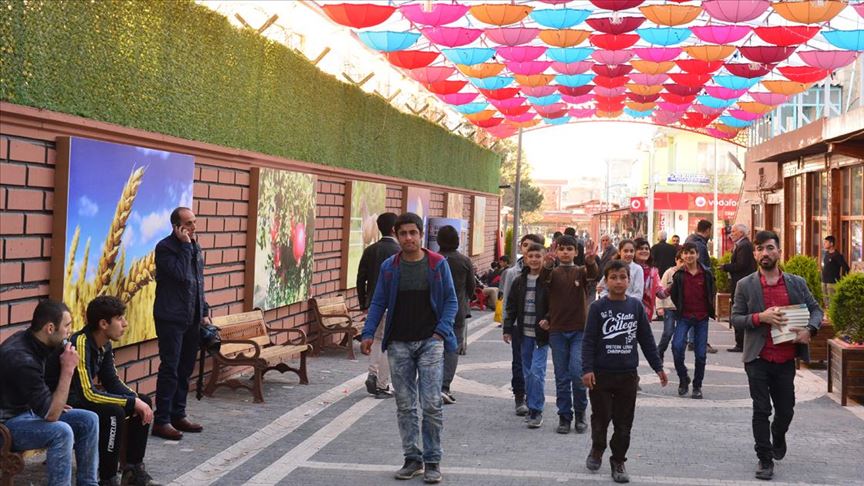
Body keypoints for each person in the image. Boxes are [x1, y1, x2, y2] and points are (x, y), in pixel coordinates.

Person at [360, 212, 458, 484]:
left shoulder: (437, 264)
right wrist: (368, 333)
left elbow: (451, 300)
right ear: (397, 234)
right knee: (405, 405)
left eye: (413, 233)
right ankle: (412, 458)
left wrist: (441, 332)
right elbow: (378, 301)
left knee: (431, 403)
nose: (408, 238)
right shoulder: (390, 267)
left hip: (430, 343)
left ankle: (433, 461)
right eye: (403, 233)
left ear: (421, 234)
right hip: (399, 343)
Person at [730, 231, 822, 481]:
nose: (765, 253)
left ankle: (778, 434)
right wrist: (761, 317)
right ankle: (764, 458)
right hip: (757, 358)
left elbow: (816, 309)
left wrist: (810, 330)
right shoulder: (745, 285)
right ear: (755, 253)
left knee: (786, 410)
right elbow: (735, 319)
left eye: (770, 248)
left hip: (785, 358)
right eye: (760, 249)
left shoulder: (796, 283)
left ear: (779, 252)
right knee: (761, 409)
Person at [52, 296, 160, 485]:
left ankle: (133, 471)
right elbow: (86, 394)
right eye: (120, 318)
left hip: (84, 398)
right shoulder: (81, 342)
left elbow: (112, 381)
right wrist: (132, 402)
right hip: (67, 402)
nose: (125, 324)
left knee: (144, 401)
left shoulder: (105, 345)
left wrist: (136, 400)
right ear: (103, 323)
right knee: (113, 412)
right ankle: (107, 478)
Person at [582, 260, 668, 483]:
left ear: (629, 281)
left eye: (623, 277)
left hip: (627, 375)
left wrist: (658, 367)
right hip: (601, 374)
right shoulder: (597, 308)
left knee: (624, 422)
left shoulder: (635, 307)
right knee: (601, 418)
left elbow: (646, 340)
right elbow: (589, 340)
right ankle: (597, 448)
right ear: (606, 280)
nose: (618, 282)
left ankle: (618, 460)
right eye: (613, 277)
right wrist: (587, 369)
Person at [0, 300, 99, 486]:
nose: (70, 331)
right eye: (67, 326)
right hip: (6, 425)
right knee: (61, 432)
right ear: (50, 328)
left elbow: (41, 397)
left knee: (88, 420)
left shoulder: (35, 342)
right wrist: (68, 369)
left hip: (27, 413)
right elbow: (52, 415)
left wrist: (53, 402)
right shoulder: (21, 358)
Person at [152, 207, 209, 440]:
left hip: (192, 318)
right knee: (170, 369)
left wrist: (203, 311)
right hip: (171, 318)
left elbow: (197, 281)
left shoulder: (194, 246)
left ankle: (179, 414)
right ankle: (162, 420)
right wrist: (185, 246)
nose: (194, 227)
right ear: (177, 226)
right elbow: (180, 276)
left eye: (195, 221)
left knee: (185, 369)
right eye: (189, 223)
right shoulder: (165, 248)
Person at [539, 235, 599, 435]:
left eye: (569, 249)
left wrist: (591, 261)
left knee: (577, 373)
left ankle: (580, 413)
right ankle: (564, 416)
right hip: (557, 331)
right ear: (555, 251)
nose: (565, 252)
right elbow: (542, 282)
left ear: (576, 252)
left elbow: (593, 276)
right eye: (561, 249)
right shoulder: (552, 272)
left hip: (579, 330)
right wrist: (546, 265)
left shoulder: (581, 271)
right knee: (561, 376)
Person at [502, 243, 549, 429]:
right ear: (525, 258)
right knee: (528, 373)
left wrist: (548, 318)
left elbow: (555, 304)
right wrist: (507, 328)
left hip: (541, 335)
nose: (535, 259)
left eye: (538, 256)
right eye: (531, 256)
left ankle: (536, 410)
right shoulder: (519, 281)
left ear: (544, 258)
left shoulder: (548, 281)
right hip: (524, 334)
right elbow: (511, 306)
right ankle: (531, 406)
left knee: (537, 373)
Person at [357, 212, 400, 399]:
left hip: (373, 305)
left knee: (375, 339)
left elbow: (360, 279)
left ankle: (373, 373)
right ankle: (382, 384)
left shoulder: (370, 250)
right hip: (393, 305)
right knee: (387, 343)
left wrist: (363, 303)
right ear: (394, 229)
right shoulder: (400, 253)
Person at [668, 242, 716, 399]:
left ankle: (697, 386)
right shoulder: (679, 275)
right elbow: (674, 294)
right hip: (684, 317)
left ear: (698, 255)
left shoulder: (707, 274)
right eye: (686, 253)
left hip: (702, 318)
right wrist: (680, 307)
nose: (689, 256)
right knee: (676, 347)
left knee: (701, 354)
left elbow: (711, 291)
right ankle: (683, 377)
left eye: (692, 253)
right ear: (682, 255)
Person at [437, 225, 476, 405]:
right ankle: (445, 386)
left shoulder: (432, 259)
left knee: (433, 348)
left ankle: (432, 383)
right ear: (457, 241)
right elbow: (471, 288)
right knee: (452, 348)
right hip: (457, 310)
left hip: (434, 310)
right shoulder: (465, 261)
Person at [722, 224, 757, 353]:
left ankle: (741, 343)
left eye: (734, 231)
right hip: (740, 282)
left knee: (739, 311)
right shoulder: (742, 245)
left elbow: (741, 265)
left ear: (742, 233)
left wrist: (726, 267)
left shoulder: (745, 246)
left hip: (742, 284)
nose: (731, 233)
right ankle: (741, 342)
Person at [685, 220, 718, 354]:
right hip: (698, 284)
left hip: (691, 282)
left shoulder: (691, 240)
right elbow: (703, 266)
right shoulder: (700, 245)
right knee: (700, 313)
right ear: (707, 230)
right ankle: (699, 342)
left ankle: (693, 340)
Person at [656, 251, 684, 362]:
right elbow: (660, 289)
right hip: (669, 307)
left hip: (683, 308)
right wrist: (659, 307)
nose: (682, 264)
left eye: (684, 261)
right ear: (676, 260)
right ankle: (660, 351)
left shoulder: (688, 273)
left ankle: (679, 358)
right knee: (668, 332)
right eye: (680, 261)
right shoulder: (668, 273)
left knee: (681, 336)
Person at [634, 238, 668, 321]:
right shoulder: (627, 268)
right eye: (641, 249)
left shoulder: (653, 271)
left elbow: (660, 293)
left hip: (645, 313)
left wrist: (672, 287)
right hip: (628, 309)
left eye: (646, 249)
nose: (644, 251)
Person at [821, 235, 850, 309]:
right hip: (824, 281)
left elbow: (846, 267)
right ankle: (828, 316)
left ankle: (832, 317)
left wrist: (842, 279)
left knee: (832, 302)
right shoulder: (826, 254)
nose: (824, 244)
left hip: (832, 282)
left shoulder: (837, 255)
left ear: (831, 244)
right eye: (824, 242)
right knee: (825, 302)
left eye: (826, 242)